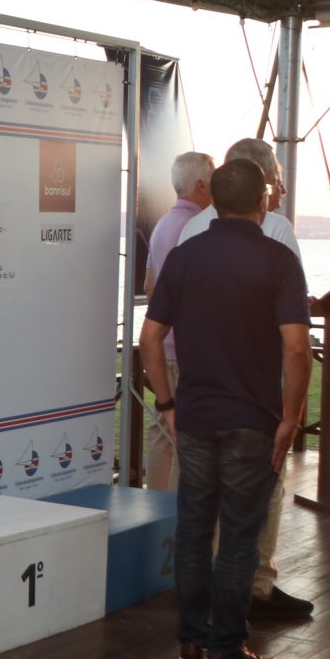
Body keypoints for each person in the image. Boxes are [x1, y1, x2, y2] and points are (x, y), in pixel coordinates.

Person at [141, 158, 311, 659]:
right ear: (263, 201)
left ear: (213, 200)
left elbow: (149, 338)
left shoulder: (185, 255)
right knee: (238, 536)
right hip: (253, 418)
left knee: (194, 531)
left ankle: (191, 645)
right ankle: (226, 650)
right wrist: (291, 418)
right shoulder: (279, 259)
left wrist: (167, 405)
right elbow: (297, 349)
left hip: (195, 415)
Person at [178, 136, 312, 619]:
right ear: (262, 186)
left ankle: (199, 619)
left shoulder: (193, 228)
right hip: (255, 391)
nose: (277, 192)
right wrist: (291, 414)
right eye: (275, 182)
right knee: (260, 493)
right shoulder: (276, 231)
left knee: (201, 508)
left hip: (199, 390)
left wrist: (170, 402)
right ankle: (255, 588)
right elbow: (294, 333)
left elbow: (166, 320)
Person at [142, 151, 214, 491]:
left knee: (162, 429)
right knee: (188, 437)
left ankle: (156, 508)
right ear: (201, 185)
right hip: (188, 349)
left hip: (162, 346)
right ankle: (178, 513)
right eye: (214, 178)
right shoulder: (199, 227)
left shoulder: (162, 224)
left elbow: (150, 286)